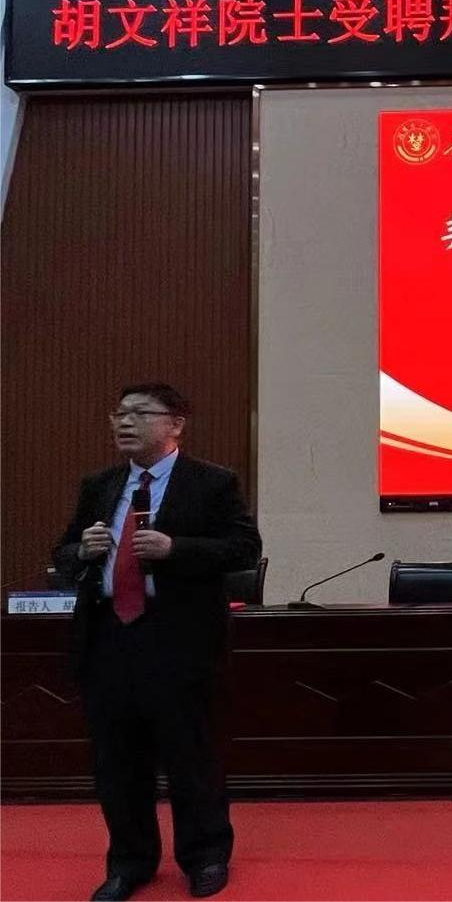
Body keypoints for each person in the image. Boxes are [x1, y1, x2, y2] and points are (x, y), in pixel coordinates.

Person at [53, 383, 261, 901]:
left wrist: (175, 549)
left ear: (176, 424)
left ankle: (205, 856)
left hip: (179, 641)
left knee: (192, 755)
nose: (125, 422)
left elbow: (243, 548)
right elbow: (63, 552)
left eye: (140, 413)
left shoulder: (211, 483)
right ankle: (130, 862)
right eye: (119, 414)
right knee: (118, 761)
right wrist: (82, 550)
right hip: (109, 638)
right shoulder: (100, 485)